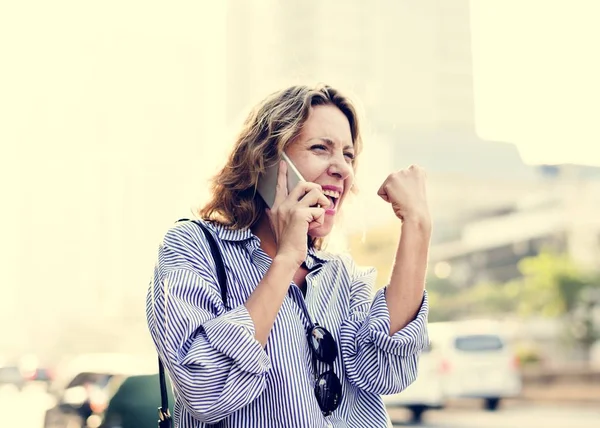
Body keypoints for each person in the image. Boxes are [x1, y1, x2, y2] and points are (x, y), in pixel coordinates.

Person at [146, 84, 431, 428]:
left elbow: (386, 370)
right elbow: (206, 389)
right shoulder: (193, 247)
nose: (342, 168)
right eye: (320, 149)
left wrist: (417, 226)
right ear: (266, 163)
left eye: (348, 154)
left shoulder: (342, 274)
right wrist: (285, 260)